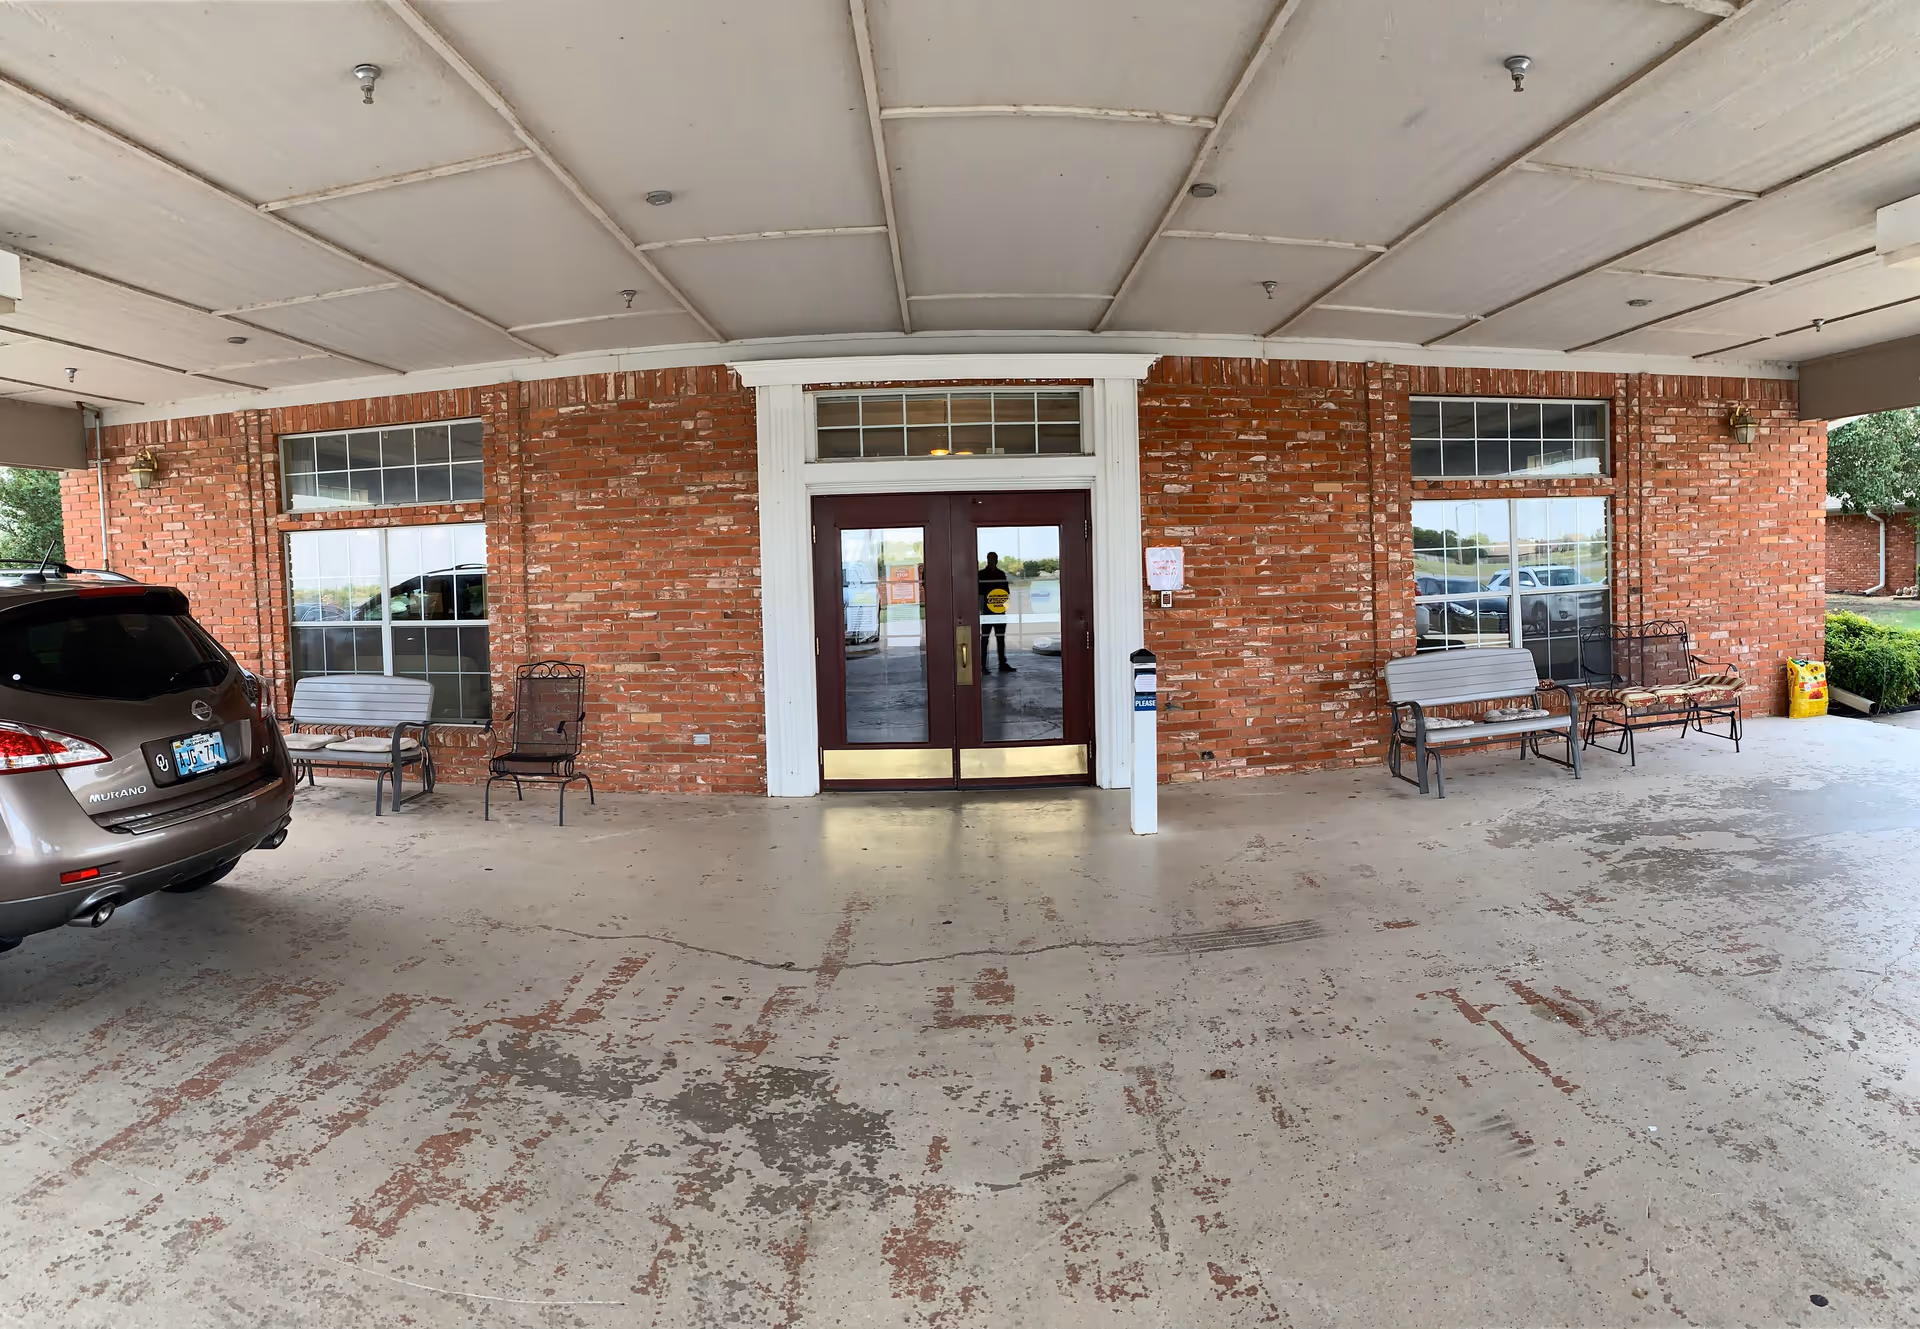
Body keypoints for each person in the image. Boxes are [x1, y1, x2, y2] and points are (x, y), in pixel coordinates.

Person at [978, 551, 1015, 673]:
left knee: (1000, 638)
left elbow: (1006, 592)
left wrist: (1002, 605)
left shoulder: (1001, 574)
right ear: (988, 560)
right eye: (991, 559)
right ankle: (982, 666)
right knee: (984, 639)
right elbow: (979, 593)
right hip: (987, 612)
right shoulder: (981, 575)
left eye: (994, 559)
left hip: (999, 611)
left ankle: (1002, 664)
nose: (993, 562)